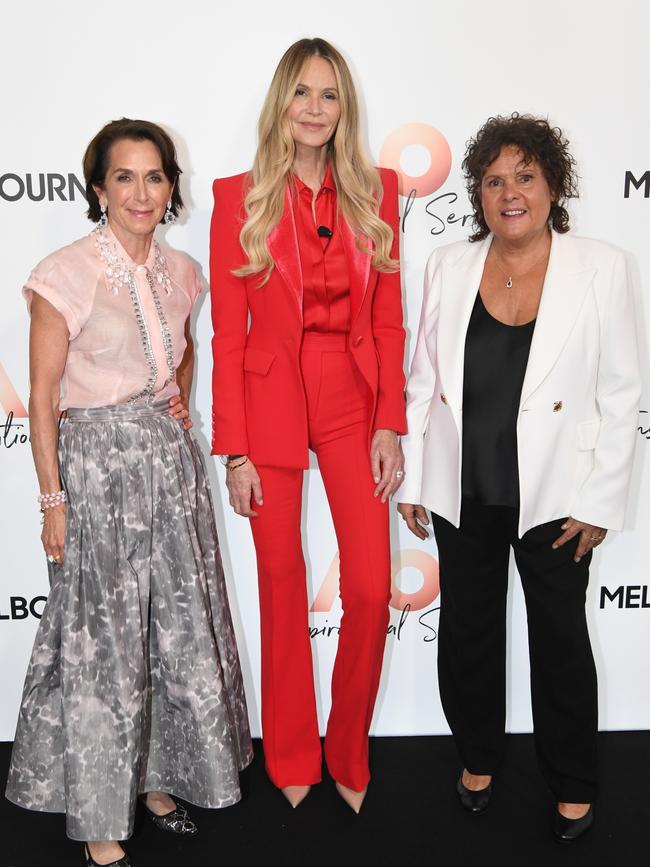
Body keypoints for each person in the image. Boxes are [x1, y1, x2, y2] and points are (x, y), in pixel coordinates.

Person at [5, 118, 252, 867]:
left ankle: (157, 779)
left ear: (171, 186)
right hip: (95, 472)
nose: (142, 192)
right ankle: (100, 815)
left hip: (170, 470)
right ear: (98, 188)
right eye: (125, 177)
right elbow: (43, 397)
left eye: (155, 176)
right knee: (105, 645)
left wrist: (178, 408)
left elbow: (183, 356)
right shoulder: (64, 272)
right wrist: (54, 502)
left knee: (172, 630)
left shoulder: (183, 272)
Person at [396, 113, 641, 841]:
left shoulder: (603, 266)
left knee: (560, 639)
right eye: (494, 179)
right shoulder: (448, 264)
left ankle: (572, 779)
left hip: (559, 495)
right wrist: (415, 476)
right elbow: (422, 380)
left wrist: (600, 499)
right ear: (478, 193)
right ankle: (477, 758)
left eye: (524, 176)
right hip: (465, 489)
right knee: (467, 635)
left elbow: (623, 392)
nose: (509, 192)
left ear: (553, 185)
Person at [210, 38, 406, 813]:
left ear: (344, 107)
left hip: (353, 395)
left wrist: (389, 420)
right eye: (302, 93)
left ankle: (348, 748)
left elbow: (388, 321)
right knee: (280, 578)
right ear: (281, 104)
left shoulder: (379, 192)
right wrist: (234, 450)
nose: (316, 109)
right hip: (271, 397)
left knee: (367, 581)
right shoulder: (240, 197)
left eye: (329, 95)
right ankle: (291, 750)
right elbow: (228, 334)